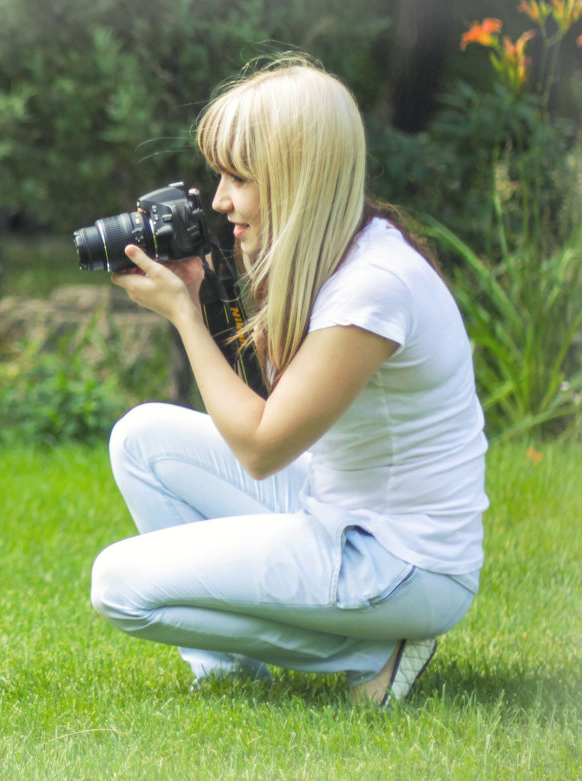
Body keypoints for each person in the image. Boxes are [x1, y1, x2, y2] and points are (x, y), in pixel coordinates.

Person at [89, 55, 488, 706]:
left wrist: (185, 316)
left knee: (117, 585)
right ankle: (228, 669)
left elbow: (263, 445)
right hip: (340, 509)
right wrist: (209, 290)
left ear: (293, 177)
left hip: (402, 564)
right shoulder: (341, 255)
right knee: (143, 441)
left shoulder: (373, 288)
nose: (219, 199)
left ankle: (371, 651)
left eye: (237, 178)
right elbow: (277, 407)